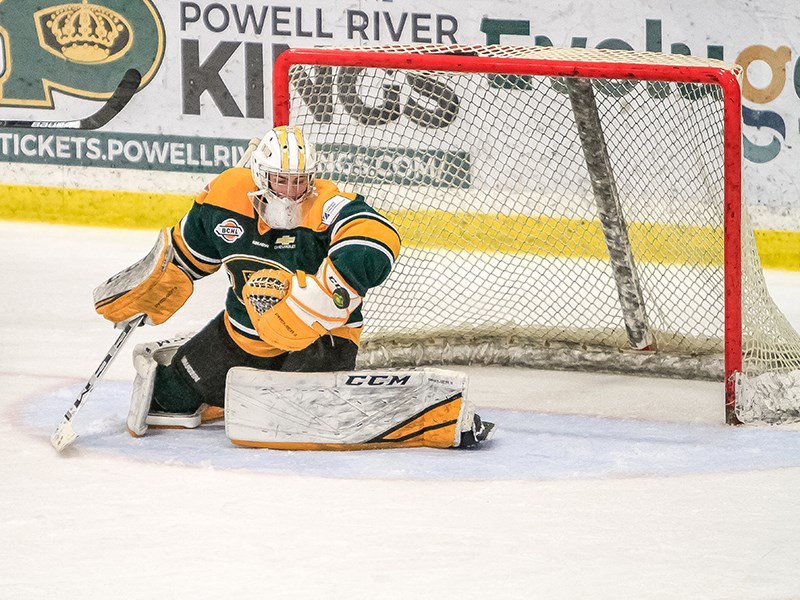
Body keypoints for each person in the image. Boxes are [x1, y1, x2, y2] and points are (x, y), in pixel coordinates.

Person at [94, 125, 402, 429]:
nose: (290, 192)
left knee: (293, 418)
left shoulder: (326, 204)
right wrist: (158, 283)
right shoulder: (225, 198)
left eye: (299, 182)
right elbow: (187, 256)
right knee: (170, 396)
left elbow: (376, 235)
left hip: (320, 339)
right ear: (260, 175)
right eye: (280, 180)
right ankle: (227, 390)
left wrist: (329, 290)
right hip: (242, 333)